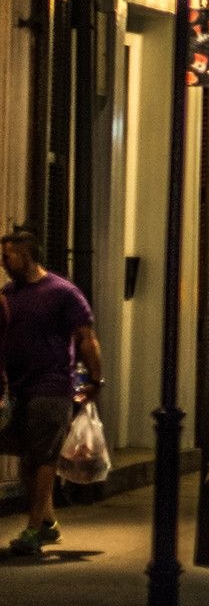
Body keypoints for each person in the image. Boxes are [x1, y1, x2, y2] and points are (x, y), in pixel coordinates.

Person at [0, 230, 103, 557]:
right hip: (18, 388)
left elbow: (87, 338)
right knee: (29, 454)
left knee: (43, 455)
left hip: (52, 385)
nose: (3, 263)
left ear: (27, 255)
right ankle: (47, 523)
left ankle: (34, 529)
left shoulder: (63, 292)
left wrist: (94, 381)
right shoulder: (8, 294)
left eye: (8, 256)